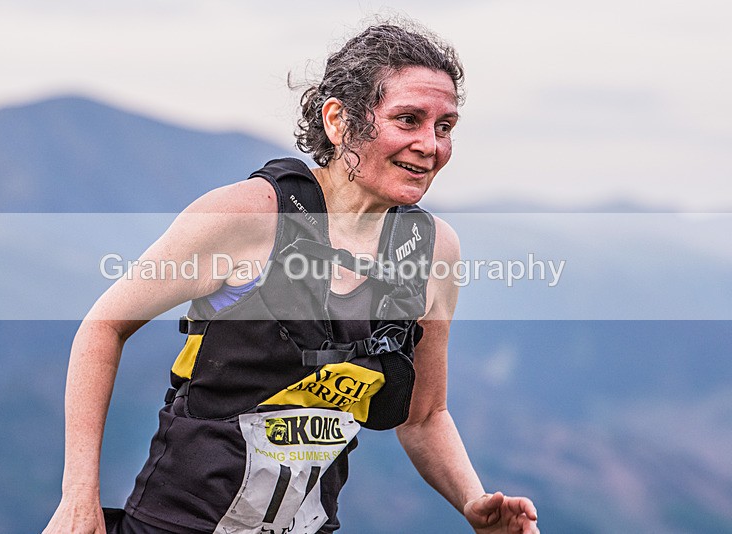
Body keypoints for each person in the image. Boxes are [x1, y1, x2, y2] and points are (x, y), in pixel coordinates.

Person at [44, 21, 539, 534]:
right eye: (408, 119)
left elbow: (424, 414)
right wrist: (79, 495)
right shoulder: (249, 216)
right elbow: (104, 326)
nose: (430, 145)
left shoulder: (432, 250)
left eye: (445, 126)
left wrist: (472, 501)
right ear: (339, 121)